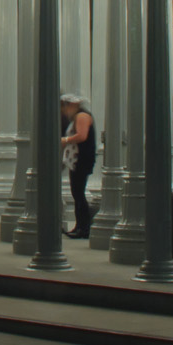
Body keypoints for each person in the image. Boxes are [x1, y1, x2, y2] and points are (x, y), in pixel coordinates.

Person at [60, 94, 95, 238]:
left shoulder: (82, 116)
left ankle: (83, 227)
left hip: (80, 159)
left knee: (78, 193)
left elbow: (82, 136)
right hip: (77, 159)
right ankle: (80, 226)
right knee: (77, 193)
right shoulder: (79, 116)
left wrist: (66, 139)